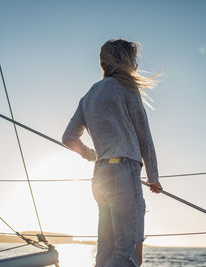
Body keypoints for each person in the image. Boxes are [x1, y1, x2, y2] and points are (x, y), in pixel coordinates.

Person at [62, 38, 162, 267]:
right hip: (125, 173)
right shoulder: (127, 88)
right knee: (126, 254)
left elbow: (68, 138)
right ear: (126, 62)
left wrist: (90, 155)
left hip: (101, 174)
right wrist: (153, 177)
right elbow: (144, 137)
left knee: (105, 253)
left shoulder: (89, 95)